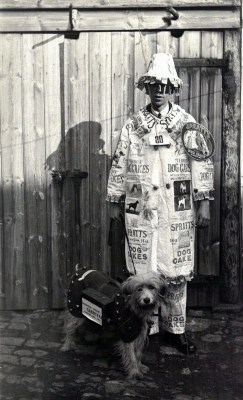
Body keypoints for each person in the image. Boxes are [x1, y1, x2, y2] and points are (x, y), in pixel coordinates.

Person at [106, 53, 214, 355]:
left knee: (175, 271)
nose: (159, 91)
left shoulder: (185, 122)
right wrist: (115, 199)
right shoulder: (134, 125)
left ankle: (175, 330)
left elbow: (202, 162)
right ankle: (146, 330)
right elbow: (119, 162)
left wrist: (202, 201)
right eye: (154, 85)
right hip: (140, 205)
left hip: (175, 206)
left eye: (165, 86)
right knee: (144, 272)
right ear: (147, 88)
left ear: (173, 89)